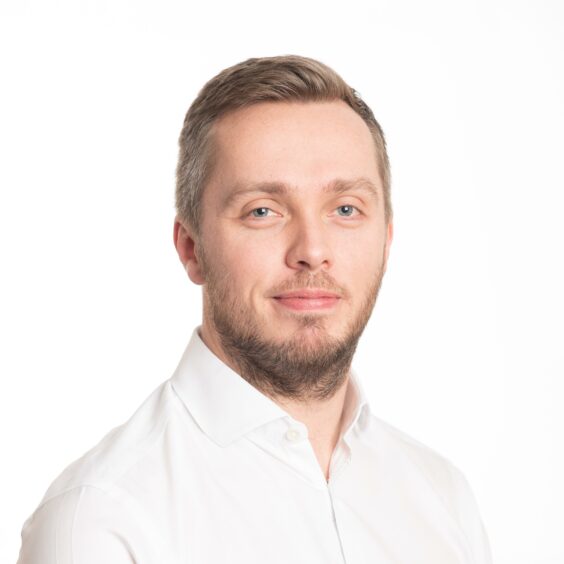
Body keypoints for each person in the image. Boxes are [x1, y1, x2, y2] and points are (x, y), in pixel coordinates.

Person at [17, 55, 493, 564]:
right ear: (191, 248)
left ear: (386, 239)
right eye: (262, 211)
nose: (312, 248)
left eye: (346, 209)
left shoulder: (443, 498)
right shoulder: (102, 519)